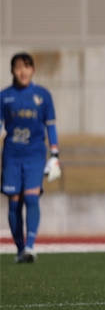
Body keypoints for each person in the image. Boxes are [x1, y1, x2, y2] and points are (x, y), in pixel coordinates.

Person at [1, 52, 61, 263]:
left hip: (35, 154)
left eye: (26, 67)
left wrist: (54, 154)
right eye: (18, 67)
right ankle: (20, 251)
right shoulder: (4, 96)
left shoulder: (43, 95)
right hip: (12, 155)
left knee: (32, 197)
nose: (22, 71)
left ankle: (30, 246)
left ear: (33, 70)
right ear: (12, 71)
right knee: (14, 203)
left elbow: (51, 126)